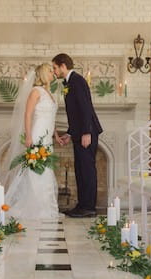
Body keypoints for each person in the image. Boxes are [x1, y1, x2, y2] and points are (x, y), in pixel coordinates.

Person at [4, 63, 60, 220]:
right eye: (50, 71)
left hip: (47, 138)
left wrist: (55, 134)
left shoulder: (50, 93)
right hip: (37, 135)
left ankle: (47, 208)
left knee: (47, 172)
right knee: (36, 172)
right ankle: (37, 208)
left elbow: (51, 117)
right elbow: (27, 115)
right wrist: (28, 136)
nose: (53, 73)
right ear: (43, 74)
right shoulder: (35, 92)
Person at [52, 53, 102, 218]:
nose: (54, 71)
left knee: (87, 169)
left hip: (87, 132)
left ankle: (89, 207)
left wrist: (87, 132)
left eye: (55, 67)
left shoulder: (77, 81)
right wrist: (70, 133)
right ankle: (82, 205)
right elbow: (75, 113)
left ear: (63, 66)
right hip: (79, 133)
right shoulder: (69, 83)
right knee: (80, 169)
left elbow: (85, 108)